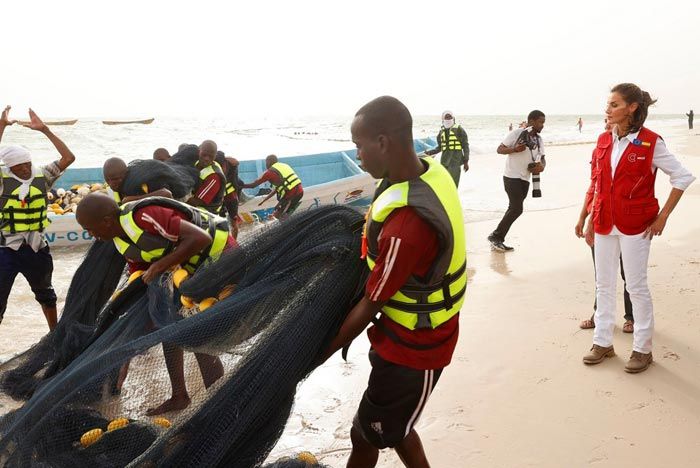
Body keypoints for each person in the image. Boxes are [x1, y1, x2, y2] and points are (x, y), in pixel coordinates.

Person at [322, 96, 466, 468]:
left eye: (359, 146)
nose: (358, 155)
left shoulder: (408, 227)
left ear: (383, 142)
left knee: (367, 434)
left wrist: (312, 358)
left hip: (417, 351)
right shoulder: (427, 172)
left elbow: (372, 301)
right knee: (392, 428)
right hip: (399, 338)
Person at [76, 193, 235, 413]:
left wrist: (161, 265)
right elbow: (140, 279)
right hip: (187, 266)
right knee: (167, 323)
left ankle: (219, 405)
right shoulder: (120, 240)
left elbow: (200, 239)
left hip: (219, 257)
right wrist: (127, 349)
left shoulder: (145, 216)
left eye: (91, 228)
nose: (91, 234)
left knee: (198, 332)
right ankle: (179, 396)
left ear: (107, 220)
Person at [579, 83, 695, 373]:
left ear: (632, 108)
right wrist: (591, 218)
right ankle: (602, 342)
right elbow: (597, 184)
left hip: (636, 225)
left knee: (636, 285)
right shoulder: (603, 140)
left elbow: (682, 177)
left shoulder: (651, 142)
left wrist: (663, 216)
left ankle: (642, 349)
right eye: (608, 104)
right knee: (603, 284)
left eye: (614, 104)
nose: (608, 109)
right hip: (605, 221)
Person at [0, 107, 76, 330]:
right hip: (6, 249)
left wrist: (45, 130)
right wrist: (2, 126)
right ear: (8, 167)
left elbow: (68, 157)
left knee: (46, 294)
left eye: (27, 164)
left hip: (36, 248)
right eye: (18, 166)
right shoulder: (3, 181)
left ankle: (54, 336)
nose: (24, 169)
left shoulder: (43, 176)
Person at [487, 110, 546, 252]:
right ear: (531, 121)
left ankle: (497, 237)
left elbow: (543, 159)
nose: (542, 125)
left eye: (543, 122)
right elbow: (499, 149)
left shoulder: (539, 139)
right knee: (516, 208)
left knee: (514, 208)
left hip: (525, 179)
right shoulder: (516, 133)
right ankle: (496, 237)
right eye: (540, 122)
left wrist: (541, 167)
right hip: (511, 176)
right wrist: (514, 149)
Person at [241, 154, 303, 220]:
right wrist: (264, 201)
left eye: (266, 162)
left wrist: (239, 186)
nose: (266, 165)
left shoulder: (270, 173)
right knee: (278, 212)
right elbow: (276, 190)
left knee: (280, 217)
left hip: (290, 197)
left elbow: (253, 185)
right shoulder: (284, 166)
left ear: (268, 162)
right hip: (299, 193)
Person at [424, 110, 469, 187]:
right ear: (443, 119)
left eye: (450, 117)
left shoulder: (459, 130)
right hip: (444, 162)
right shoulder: (441, 132)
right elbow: (440, 147)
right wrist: (430, 152)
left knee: (454, 184)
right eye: (446, 117)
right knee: (444, 184)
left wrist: (466, 161)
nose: (448, 119)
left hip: (456, 161)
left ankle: (453, 198)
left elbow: (465, 146)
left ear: (453, 118)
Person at [103, 157, 172, 203]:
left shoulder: (138, 184)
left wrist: (132, 199)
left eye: (115, 179)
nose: (111, 184)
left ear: (126, 173)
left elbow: (166, 193)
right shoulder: (110, 189)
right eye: (107, 179)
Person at [187, 140, 226, 215]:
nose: (206, 158)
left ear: (215, 156)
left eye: (211, 156)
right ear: (199, 151)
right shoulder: (195, 163)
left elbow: (196, 201)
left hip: (206, 213)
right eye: (204, 154)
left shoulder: (214, 176)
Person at [220, 157, 243, 238]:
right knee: (221, 221)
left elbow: (236, 162)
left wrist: (225, 158)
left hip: (231, 197)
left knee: (234, 221)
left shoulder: (230, 166)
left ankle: (234, 243)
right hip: (220, 199)